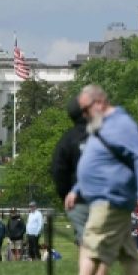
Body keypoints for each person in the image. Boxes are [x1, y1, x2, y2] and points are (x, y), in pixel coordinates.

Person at [64, 85, 138, 275]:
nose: (83, 115)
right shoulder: (99, 125)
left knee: (91, 247)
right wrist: (76, 189)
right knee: (128, 255)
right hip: (104, 197)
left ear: (100, 102)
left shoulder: (122, 124)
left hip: (110, 197)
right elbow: (93, 162)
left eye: (85, 109)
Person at [51, 96, 89, 244]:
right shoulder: (105, 135)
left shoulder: (67, 139)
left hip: (78, 199)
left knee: (86, 243)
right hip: (104, 199)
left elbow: (58, 171)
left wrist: (66, 195)